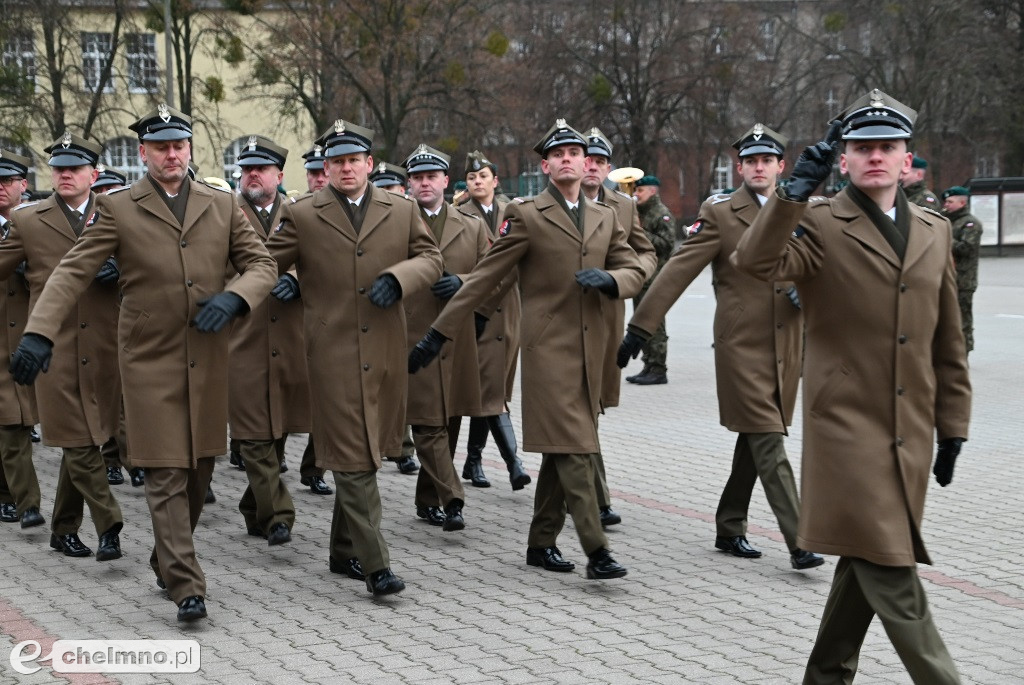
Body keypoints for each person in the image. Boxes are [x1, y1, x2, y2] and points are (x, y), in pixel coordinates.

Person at [732, 90, 971, 684]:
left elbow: (948, 336)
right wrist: (789, 196)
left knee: (866, 557)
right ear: (843, 160)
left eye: (887, 147)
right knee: (892, 563)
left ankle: (826, 675)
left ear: (907, 160)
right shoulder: (816, 222)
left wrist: (954, 425)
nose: (875, 157)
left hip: (908, 430)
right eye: (862, 148)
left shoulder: (935, 230)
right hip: (846, 427)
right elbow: (756, 265)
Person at [10, 105, 279, 622]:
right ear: (143, 154)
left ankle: (166, 556)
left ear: (190, 150)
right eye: (160, 147)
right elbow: (70, 271)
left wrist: (237, 297)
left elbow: (262, 263)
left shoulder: (221, 205)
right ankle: (186, 585)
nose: (171, 154)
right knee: (164, 471)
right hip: (147, 358)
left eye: (179, 145)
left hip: (207, 356)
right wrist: (39, 333)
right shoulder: (119, 209)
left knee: (200, 468)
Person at [408, 119, 645, 579]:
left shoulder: (606, 216)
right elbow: (486, 276)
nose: (568, 159)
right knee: (577, 447)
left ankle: (540, 543)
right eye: (558, 154)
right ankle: (597, 550)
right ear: (546, 165)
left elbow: (634, 264)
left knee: (563, 448)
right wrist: (439, 332)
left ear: (586, 161)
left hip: (592, 350)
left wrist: (614, 280)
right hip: (548, 350)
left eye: (574, 152)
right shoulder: (528, 214)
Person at [619, 123, 821, 570]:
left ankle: (730, 526)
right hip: (741, 346)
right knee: (768, 437)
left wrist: (806, 290)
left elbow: (829, 265)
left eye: (767, 160)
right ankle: (800, 538)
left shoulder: (806, 209)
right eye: (750, 161)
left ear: (781, 166)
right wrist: (641, 326)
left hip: (788, 344)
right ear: (740, 167)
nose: (758, 167)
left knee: (756, 437)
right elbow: (677, 269)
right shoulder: (722, 213)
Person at [265, 119, 443, 596]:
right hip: (331, 352)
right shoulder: (303, 213)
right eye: (337, 161)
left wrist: (401, 277)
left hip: (385, 349)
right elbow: (265, 261)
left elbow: (431, 259)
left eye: (353, 160)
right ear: (327, 166)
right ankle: (376, 565)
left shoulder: (402, 210)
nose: (346, 168)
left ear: (369, 163)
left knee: (366, 452)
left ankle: (342, 550)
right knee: (352, 457)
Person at [1, 133, 124, 562]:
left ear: (94, 173)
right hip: (51, 348)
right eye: (58, 169)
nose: (65, 175)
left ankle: (63, 528)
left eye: (74, 168)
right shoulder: (29, 221)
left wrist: (121, 271)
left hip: (106, 347)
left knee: (89, 437)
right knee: (78, 439)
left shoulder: (119, 213)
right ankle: (110, 522)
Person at [400, 144, 488, 531]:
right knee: (426, 422)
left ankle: (427, 500)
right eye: (417, 177)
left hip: (456, 337)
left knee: (449, 420)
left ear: (445, 181)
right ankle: (453, 498)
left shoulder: (471, 225)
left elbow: (493, 271)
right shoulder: (394, 220)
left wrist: (463, 282)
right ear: (409, 182)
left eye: (430, 176)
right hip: (410, 332)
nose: (424, 183)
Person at [229, 136, 312, 543]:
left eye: (260, 169)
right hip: (242, 337)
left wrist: (295, 280)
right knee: (255, 431)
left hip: (289, 338)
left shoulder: (298, 214)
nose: (252, 176)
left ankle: (252, 506)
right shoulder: (224, 212)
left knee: (277, 430)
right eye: (246, 170)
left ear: (279, 176)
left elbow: (314, 263)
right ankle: (279, 514)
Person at [580, 128, 659, 528]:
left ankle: (580, 491)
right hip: (566, 323)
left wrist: (623, 278)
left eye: (599, 161)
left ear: (609, 169)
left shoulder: (623, 207)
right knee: (583, 409)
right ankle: (597, 497)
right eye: (586, 159)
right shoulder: (559, 203)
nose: (591, 166)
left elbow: (646, 255)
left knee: (593, 406)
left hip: (608, 317)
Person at [456, 150, 529, 491]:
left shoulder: (512, 212)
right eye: (471, 178)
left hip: (508, 313)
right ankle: (513, 464)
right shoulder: (459, 215)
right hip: (476, 313)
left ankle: (473, 460)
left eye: (483, 176)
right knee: (490, 392)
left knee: (493, 389)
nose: (477, 182)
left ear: (495, 181)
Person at [368, 160, 424, 478]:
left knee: (403, 386)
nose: (391, 193)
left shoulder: (408, 216)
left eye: (395, 188)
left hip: (416, 311)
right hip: (384, 311)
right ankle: (400, 448)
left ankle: (400, 446)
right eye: (384, 188)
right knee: (389, 385)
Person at [0, 150, 44, 530]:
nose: (0, 189)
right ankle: (24, 502)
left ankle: (13, 497)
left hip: (30, 336)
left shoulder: (36, 224)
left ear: (22, 186)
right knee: (10, 425)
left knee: (16, 421)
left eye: (7, 181)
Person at [628, 175, 676, 385]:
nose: (636, 194)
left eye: (640, 191)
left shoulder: (661, 214)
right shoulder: (640, 212)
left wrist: (640, 232)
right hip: (641, 275)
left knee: (654, 324)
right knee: (641, 321)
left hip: (656, 277)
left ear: (653, 191)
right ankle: (648, 364)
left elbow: (667, 244)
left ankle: (658, 368)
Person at [942, 186, 983, 353]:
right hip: (945, 278)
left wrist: (943, 238)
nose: (946, 204)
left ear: (962, 202)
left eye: (950, 202)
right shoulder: (945, 220)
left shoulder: (971, 223)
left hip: (963, 281)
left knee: (962, 320)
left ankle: (963, 352)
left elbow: (966, 248)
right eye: (946, 201)